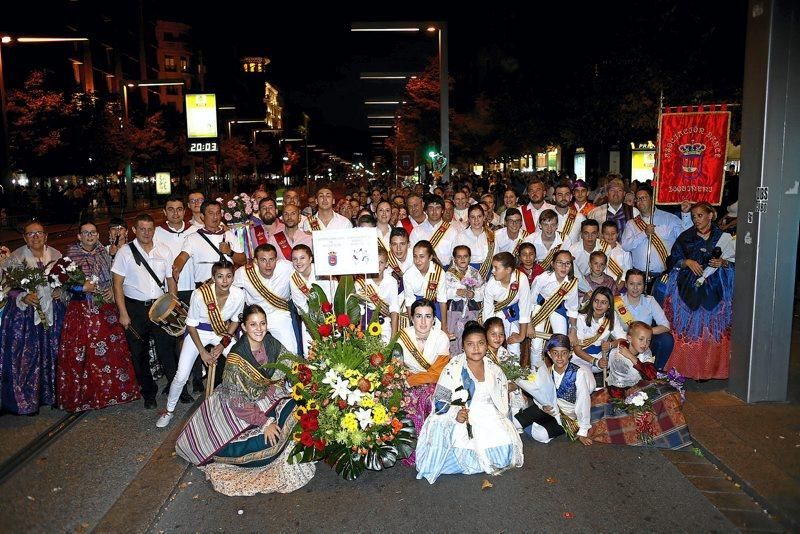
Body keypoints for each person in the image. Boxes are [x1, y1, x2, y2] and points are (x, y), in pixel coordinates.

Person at [175, 304, 315, 495]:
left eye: (262, 323)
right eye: (253, 325)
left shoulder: (271, 343)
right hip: (239, 409)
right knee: (269, 444)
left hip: (265, 396)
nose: (259, 329)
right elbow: (237, 402)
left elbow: (292, 364)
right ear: (244, 327)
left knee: (298, 408)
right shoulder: (236, 358)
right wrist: (265, 423)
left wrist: (314, 375)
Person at [415, 321, 524, 484]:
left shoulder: (494, 369)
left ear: (486, 346)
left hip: (489, 416)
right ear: (463, 347)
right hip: (463, 415)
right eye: (470, 344)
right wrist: (455, 414)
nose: (476, 349)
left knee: (505, 455)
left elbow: (501, 400)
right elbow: (440, 402)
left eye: (480, 343)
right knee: (459, 455)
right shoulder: (453, 368)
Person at [57, 222, 139, 412]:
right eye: (85, 233)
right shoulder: (70, 255)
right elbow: (63, 283)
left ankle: (112, 392)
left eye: (93, 232)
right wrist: (80, 287)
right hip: (81, 311)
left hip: (105, 309)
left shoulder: (105, 252)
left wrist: (111, 288)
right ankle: (84, 396)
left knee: (110, 352)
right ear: (79, 236)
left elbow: (115, 276)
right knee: (82, 354)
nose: (89, 236)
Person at [157, 260, 244, 427]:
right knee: (181, 375)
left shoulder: (239, 294)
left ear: (233, 278)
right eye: (220, 277)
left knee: (241, 364)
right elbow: (191, 325)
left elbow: (234, 322)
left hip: (221, 332)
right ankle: (169, 411)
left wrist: (222, 345)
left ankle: (241, 405)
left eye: (228, 276)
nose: (224, 281)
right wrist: (203, 352)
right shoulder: (200, 294)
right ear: (213, 277)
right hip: (198, 332)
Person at [589, 322, 692, 449]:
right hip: (617, 391)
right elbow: (619, 374)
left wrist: (632, 357)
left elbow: (651, 374)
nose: (645, 344)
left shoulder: (646, 352)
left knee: (667, 394)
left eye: (648, 341)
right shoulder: (618, 353)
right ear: (630, 338)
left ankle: (671, 433)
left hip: (639, 388)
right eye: (641, 339)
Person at [112, 214, 178, 409]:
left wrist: (173, 305)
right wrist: (123, 313)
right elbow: (117, 285)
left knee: (167, 349)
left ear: (154, 230)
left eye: (150, 229)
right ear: (134, 230)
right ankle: (149, 393)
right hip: (135, 309)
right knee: (139, 354)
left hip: (159, 307)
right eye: (142, 229)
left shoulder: (164, 251)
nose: (146, 233)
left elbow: (170, 280)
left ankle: (177, 389)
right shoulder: (124, 252)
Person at [663, 202, 735, 379]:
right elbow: (672, 259)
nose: (696, 219)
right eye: (694, 216)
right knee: (689, 330)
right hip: (689, 288)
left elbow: (737, 262)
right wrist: (686, 262)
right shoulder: (685, 237)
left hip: (716, 289)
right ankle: (687, 369)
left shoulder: (724, 237)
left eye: (700, 215)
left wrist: (724, 263)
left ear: (711, 215)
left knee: (710, 331)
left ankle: (710, 371)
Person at [0, 220, 66, 414]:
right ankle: (28, 399)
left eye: (39, 233)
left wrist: (59, 291)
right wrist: (22, 296)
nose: (35, 237)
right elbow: (6, 287)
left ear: (46, 236)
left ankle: (54, 394)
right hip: (25, 316)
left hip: (53, 313)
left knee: (54, 351)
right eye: (30, 234)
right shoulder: (15, 258)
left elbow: (64, 281)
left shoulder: (56, 255)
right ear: (24, 238)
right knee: (28, 356)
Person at [393, 299, 451, 465]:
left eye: (428, 316)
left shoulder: (441, 338)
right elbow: (396, 368)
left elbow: (437, 373)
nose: (423, 322)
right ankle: (413, 451)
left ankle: (435, 450)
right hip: (407, 384)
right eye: (419, 316)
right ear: (412, 318)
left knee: (430, 398)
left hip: (436, 384)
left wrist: (412, 379)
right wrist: (407, 380)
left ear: (434, 319)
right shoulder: (402, 337)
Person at [154, 195, 200, 393]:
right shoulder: (155, 233)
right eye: (170, 209)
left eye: (179, 209)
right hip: (168, 293)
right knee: (169, 339)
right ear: (165, 212)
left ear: (185, 211)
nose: (175, 213)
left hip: (194, 291)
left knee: (195, 336)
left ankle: (197, 377)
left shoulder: (195, 231)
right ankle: (174, 380)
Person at [621, 185, 689, 287]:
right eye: (637, 199)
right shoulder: (632, 223)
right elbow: (626, 246)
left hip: (664, 276)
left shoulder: (669, 218)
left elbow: (686, 237)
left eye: (643, 198)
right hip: (639, 276)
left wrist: (686, 214)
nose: (639, 202)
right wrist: (644, 233)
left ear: (652, 199)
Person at [234, 244, 296, 354]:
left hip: (280, 314)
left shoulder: (286, 267)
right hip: (256, 317)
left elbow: (306, 270)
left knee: (290, 352)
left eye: (271, 260)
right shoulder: (244, 273)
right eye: (263, 260)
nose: (268, 265)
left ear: (276, 260)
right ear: (256, 261)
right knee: (250, 354)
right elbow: (228, 290)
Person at [528, 250, 579, 367]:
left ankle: (558, 373)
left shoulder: (572, 283)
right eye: (560, 263)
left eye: (567, 263)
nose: (564, 267)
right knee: (536, 345)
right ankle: (534, 372)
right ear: (552, 264)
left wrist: (573, 330)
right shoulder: (542, 278)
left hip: (558, 310)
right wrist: (529, 324)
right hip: (539, 308)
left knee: (561, 343)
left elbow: (572, 309)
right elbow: (530, 301)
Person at [616, 269, 674, 370]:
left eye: (639, 284)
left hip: (644, 343)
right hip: (625, 341)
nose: (635, 288)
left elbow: (666, 326)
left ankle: (655, 371)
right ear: (625, 284)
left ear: (644, 286)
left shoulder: (650, 301)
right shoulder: (617, 302)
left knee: (666, 339)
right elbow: (612, 328)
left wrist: (644, 333)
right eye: (631, 284)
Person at [481, 252, 531, 358]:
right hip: (495, 314)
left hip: (513, 313)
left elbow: (525, 307)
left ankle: (514, 372)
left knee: (515, 346)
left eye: (496, 268)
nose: (493, 271)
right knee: (495, 344)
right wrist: (490, 335)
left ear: (508, 270)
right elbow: (488, 312)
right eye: (492, 267)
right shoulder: (491, 285)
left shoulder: (521, 279)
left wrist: (521, 336)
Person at [289, 244, 336, 356]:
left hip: (331, 316)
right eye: (294, 259)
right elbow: (301, 306)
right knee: (310, 353)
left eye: (302, 258)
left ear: (310, 259)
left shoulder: (323, 271)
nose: (298, 262)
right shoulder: (294, 279)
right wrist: (312, 324)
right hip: (311, 319)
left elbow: (334, 295)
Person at [483, 317, 529, 427]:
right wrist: (504, 387)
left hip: (507, 392)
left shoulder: (503, 352)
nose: (498, 338)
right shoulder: (482, 354)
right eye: (493, 334)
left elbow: (515, 374)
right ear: (485, 335)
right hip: (489, 395)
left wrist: (517, 387)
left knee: (518, 419)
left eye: (501, 334)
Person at [571, 286, 625, 373]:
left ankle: (619, 384)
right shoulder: (581, 317)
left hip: (601, 359)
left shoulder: (612, 317)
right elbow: (577, 349)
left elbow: (623, 339)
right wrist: (595, 362)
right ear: (592, 301)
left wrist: (611, 345)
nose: (599, 305)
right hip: (581, 358)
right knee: (589, 381)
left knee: (621, 352)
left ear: (609, 305)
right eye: (596, 301)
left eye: (604, 302)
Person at [402, 241, 450, 337]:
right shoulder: (408, 274)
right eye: (415, 256)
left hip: (434, 306)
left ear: (430, 257)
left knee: (436, 337)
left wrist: (444, 327)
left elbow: (442, 300)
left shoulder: (439, 272)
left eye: (422, 256)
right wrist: (412, 324)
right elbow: (409, 301)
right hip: (415, 307)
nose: (418, 260)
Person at [354, 248, 399, 344]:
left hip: (385, 324)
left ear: (387, 264)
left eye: (381, 262)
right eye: (375, 262)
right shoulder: (361, 282)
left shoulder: (392, 282)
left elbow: (394, 309)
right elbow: (359, 310)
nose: (378, 266)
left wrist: (393, 336)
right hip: (365, 324)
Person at [445, 245, 485, 354]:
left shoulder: (474, 273)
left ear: (470, 258)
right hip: (455, 310)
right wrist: (456, 293)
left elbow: (482, 291)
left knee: (470, 335)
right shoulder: (449, 274)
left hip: (472, 310)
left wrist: (474, 294)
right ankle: (455, 359)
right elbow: (443, 293)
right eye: (459, 257)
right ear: (454, 259)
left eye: (465, 256)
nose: (462, 259)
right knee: (454, 336)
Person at [409, 195, 457, 267]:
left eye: (438, 208)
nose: (434, 211)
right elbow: (412, 255)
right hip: (422, 271)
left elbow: (455, 256)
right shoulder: (417, 231)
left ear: (443, 210)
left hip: (445, 271)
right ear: (426, 210)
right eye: (431, 208)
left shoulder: (452, 231)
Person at [454, 205, 495, 281]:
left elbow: (496, 257)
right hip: (467, 274)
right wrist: (462, 278)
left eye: (479, 216)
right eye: (473, 217)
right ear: (468, 219)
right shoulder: (461, 236)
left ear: (484, 217)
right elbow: (455, 259)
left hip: (488, 274)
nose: (476, 220)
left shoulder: (491, 235)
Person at [599, 221, 631, 291]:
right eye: (607, 234)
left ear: (617, 234)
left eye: (613, 233)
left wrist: (621, 283)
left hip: (619, 285)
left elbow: (628, 268)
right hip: (600, 284)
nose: (610, 236)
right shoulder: (598, 248)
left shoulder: (624, 250)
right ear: (602, 235)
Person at [552, 180, 585, 245]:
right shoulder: (546, 216)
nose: (563, 198)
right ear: (554, 198)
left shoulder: (580, 218)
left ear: (571, 197)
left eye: (567, 195)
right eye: (560, 195)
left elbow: (583, 243)